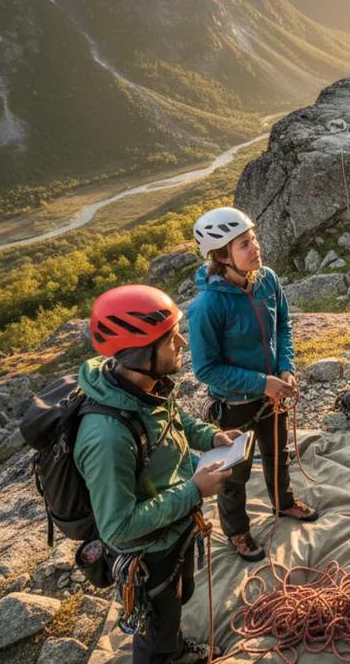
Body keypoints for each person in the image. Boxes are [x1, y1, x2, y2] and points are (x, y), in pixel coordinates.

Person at [76, 284, 239, 664]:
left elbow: (174, 420)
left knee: (174, 604)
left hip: (173, 530)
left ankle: (176, 650)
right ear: (140, 353)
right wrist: (193, 491)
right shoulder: (108, 436)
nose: (182, 342)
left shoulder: (145, 386)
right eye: (170, 338)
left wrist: (210, 435)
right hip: (148, 553)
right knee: (155, 626)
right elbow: (117, 528)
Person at [188, 207, 319, 562]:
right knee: (235, 472)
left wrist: (286, 369)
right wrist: (263, 383)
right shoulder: (207, 305)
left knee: (278, 455)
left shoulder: (267, 280)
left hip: (273, 392)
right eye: (245, 244)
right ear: (221, 256)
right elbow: (205, 368)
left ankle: (285, 503)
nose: (256, 248)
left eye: (254, 239)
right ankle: (238, 531)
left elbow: (283, 327)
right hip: (235, 404)